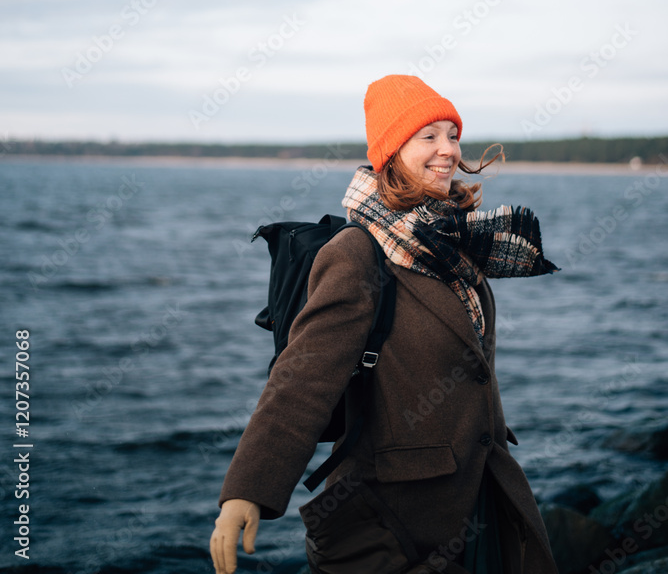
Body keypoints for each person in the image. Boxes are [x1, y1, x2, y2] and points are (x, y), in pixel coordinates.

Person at [210, 75, 560, 574]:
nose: (448, 150)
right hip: (404, 513)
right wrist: (246, 492)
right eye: (428, 136)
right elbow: (304, 378)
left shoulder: (449, 240)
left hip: (482, 487)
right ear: (392, 152)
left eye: (452, 135)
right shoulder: (358, 252)